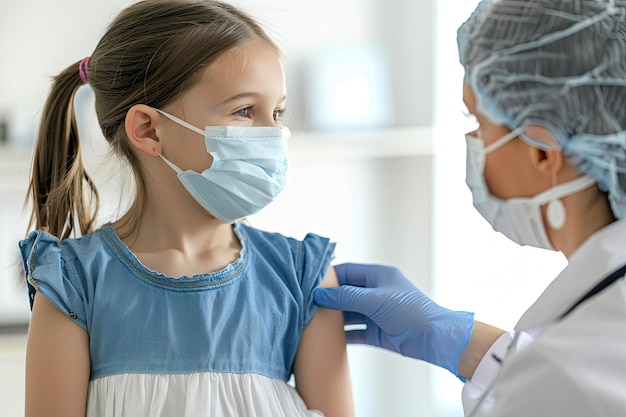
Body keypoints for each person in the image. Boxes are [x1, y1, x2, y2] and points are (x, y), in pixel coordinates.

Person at [19, 1, 354, 416]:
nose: (275, 134)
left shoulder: (303, 277)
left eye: (277, 112)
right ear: (148, 129)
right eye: (245, 111)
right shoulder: (73, 286)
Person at [314, 0, 626, 415]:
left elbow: (560, 384)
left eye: (479, 121)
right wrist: (465, 344)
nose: (474, 142)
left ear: (543, 153)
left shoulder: (564, 372)